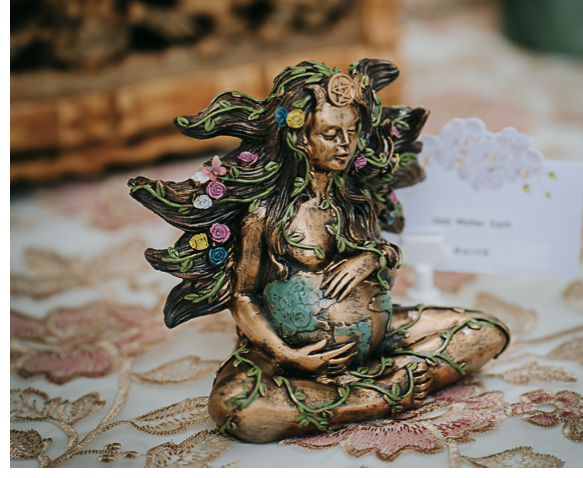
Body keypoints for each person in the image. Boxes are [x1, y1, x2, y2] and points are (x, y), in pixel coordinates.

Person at [129, 59, 509, 443]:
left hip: (376, 336)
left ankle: (351, 387)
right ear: (301, 139)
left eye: (351, 133)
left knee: (487, 333)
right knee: (236, 406)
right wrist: (288, 356)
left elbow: (386, 281)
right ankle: (378, 397)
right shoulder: (266, 212)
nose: (345, 145)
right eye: (330, 134)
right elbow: (242, 295)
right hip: (292, 349)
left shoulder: (355, 198)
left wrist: (375, 257)